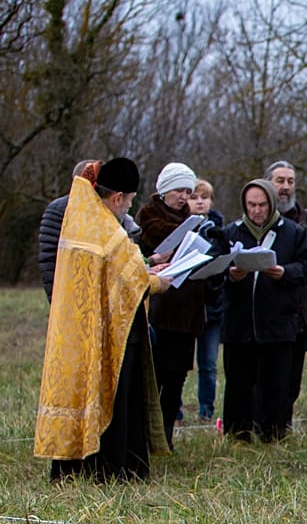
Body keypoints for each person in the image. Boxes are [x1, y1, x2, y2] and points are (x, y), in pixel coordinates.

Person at [36, 158, 173, 481]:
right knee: (116, 396)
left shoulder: (81, 220)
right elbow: (131, 280)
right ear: (117, 197)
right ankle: (113, 468)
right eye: (129, 200)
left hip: (77, 328)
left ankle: (72, 467)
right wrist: (158, 282)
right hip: (110, 331)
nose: (129, 206)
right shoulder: (108, 229)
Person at [222, 178, 307, 442]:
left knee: (276, 382)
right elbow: (214, 273)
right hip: (239, 324)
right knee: (238, 382)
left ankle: (274, 433)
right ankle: (238, 434)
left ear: (272, 203)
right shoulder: (231, 232)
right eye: (251, 205)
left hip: (278, 322)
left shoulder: (293, 232)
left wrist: (284, 272)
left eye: (262, 205)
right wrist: (231, 275)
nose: (257, 211)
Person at [135, 162, 210, 448]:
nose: (184, 197)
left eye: (188, 192)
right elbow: (153, 249)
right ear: (165, 190)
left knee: (176, 379)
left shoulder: (194, 221)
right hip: (159, 311)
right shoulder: (148, 218)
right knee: (154, 378)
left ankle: (165, 437)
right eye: (179, 190)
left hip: (188, 314)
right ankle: (145, 437)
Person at [267, 160, 307, 418]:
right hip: (269, 311)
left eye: (290, 182)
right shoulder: (261, 218)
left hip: (301, 309)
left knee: (293, 376)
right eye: (280, 181)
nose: (285, 187)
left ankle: (284, 423)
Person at [187, 180, 225, 420]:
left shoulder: (221, 230)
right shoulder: (180, 229)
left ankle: (206, 412)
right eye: (194, 197)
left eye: (205, 197)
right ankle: (175, 412)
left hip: (213, 306)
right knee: (179, 364)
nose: (200, 202)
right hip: (186, 307)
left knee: (209, 365)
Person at [39, 160, 102, 302]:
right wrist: (55, 297)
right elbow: (50, 256)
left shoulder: (101, 209)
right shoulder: (60, 209)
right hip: (67, 288)